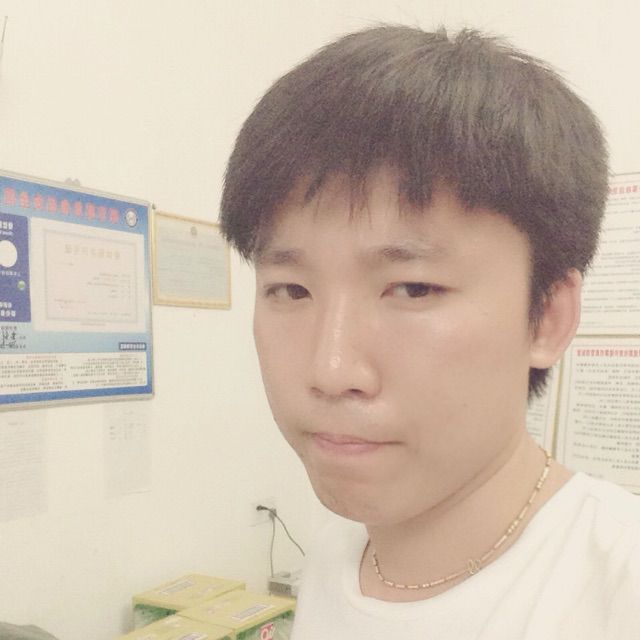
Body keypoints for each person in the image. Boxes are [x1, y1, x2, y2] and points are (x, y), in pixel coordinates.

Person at [220, 24, 640, 639]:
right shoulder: (338, 549)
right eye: (291, 290)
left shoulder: (619, 587)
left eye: (413, 289)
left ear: (548, 316)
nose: (330, 371)